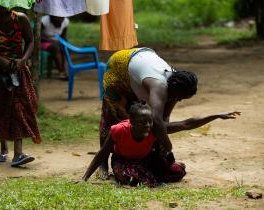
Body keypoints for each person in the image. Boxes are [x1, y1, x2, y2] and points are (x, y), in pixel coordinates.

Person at [98, 47, 234, 178]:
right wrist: (167, 146)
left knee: (144, 120)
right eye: (180, 96)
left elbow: (164, 118)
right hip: (118, 66)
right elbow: (156, 120)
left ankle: (141, 156)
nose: (179, 99)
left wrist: (161, 148)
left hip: (138, 67)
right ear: (172, 86)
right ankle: (103, 163)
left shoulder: (177, 85)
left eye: (183, 98)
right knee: (114, 115)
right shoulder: (160, 86)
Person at [84, 102, 240, 187]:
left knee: (178, 172)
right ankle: (147, 176)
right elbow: (102, 153)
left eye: (149, 121)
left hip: (145, 160)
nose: (147, 126)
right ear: (131, 122)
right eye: (141, 122)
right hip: (123, 161)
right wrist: (85, 178)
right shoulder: (119, 130)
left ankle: (151, 174)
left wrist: (217, 115)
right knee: (132, 178)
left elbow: (186, 124)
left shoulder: (154, 129)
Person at [0, 1, 41, 167]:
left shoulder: (21, 19)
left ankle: (18, 154)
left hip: (18, 71)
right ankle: (4, 147)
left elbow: (30, 42)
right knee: (0, 108)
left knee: (20, 107)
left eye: (4, 6)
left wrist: (22, 60)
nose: (1, 9)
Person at [41, 15, 69, 80]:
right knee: (55, 47)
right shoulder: (44, 21)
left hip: (57, 42)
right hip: (43, 42)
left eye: (62, 19)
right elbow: (37, 37)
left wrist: (64, 43)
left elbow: (64, 37)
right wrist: (51, 41)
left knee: (65, 47)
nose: (60, 21)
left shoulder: (65, 21)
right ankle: (61, 72)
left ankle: (64, 70)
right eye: (58, 19)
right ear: (52, 17)